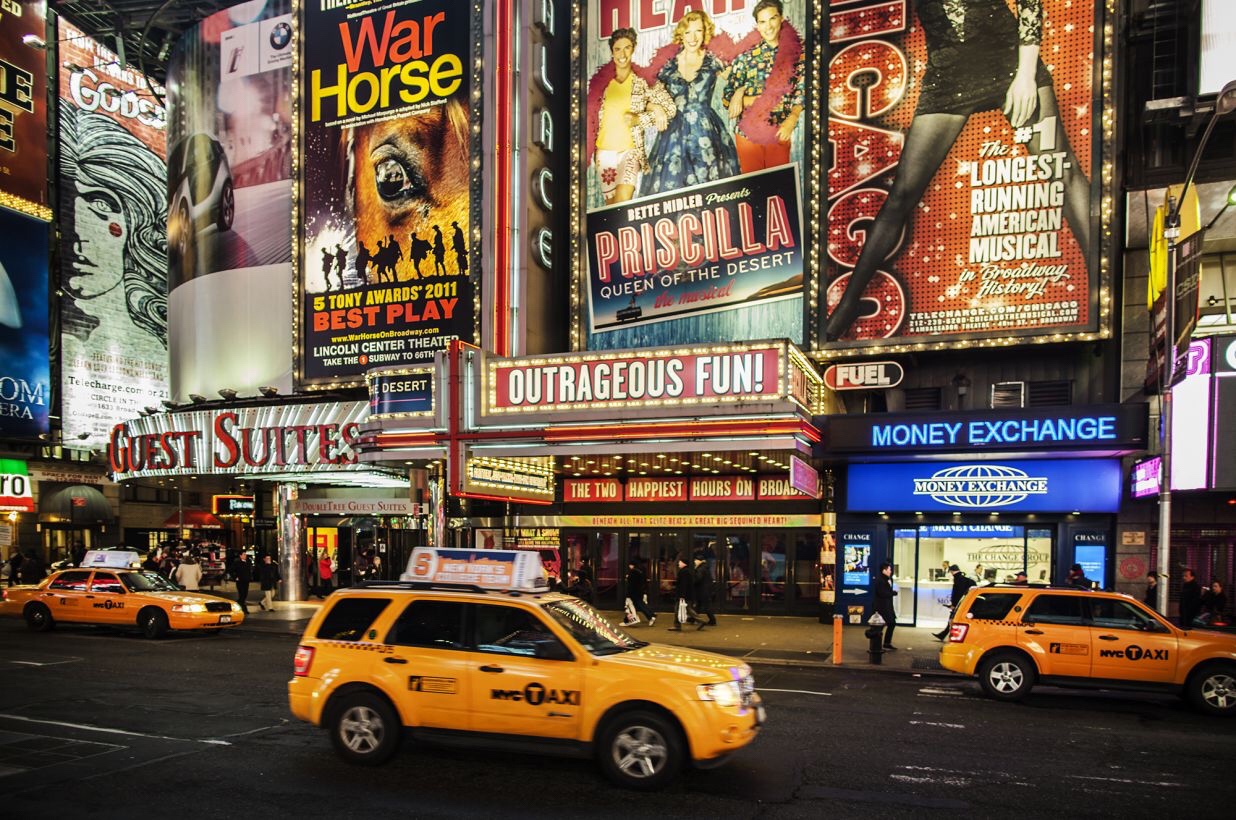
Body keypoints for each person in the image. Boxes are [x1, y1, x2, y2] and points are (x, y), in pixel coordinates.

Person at [825, 0, 1091, 341]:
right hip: (948, 75)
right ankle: (847, 306)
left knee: (1064, 173)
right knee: (901, 195)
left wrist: (1026, 74)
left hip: (1008, 58)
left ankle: (1102, 278)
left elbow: (1029, 3)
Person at [639, 9, 740, 196]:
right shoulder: (667, 65)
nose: (693, 38)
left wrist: (739, 94)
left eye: (698, 31)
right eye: (688, 32)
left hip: (706, 134)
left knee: (711, 192)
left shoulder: (714, 61)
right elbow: (642, 97)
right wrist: (657, 108)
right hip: (672, 137)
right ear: (681, 34)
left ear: (705, 32)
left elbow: (741, 79)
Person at [592, 27, 676, 204]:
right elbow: (590, 116)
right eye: (617, 49)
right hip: (604, 153)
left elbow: (670, 108)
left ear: (634, 48)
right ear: (612, 51)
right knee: (611, 207)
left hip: (630, 151)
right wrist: (651, 106)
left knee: (622, 200)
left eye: (627, 48)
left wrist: (641, 118)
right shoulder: (601, 84)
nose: (622, 54)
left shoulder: (644, 80)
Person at [721, 0, 804, 174]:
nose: (768, 26)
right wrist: (741, 95)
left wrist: (792, 119)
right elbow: (727, 98)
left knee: (779, 185)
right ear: (757, 25)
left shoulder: (797, 55)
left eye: (772, 19)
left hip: (779, 129)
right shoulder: (746, 57)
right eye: (762, 22)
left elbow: (802, 91)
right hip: (748, 135)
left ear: (781, 18)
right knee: (753, 186)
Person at [934, 565, 975, 640]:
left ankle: (948, 635)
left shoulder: (958, 579)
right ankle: (943, 634)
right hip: (963, 602)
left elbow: (957, 593)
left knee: (953, 619)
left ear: (952, 571)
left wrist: (954, 604)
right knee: (953, 618)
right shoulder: (962, 578)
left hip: (959, 603)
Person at [873, 561, 898, 650]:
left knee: (890, 623)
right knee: (884, 625)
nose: (890, 571)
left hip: (888, 606)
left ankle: (885, 643)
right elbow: (882, 593)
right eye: (889, 569)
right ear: (884, 570)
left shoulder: (887, 579)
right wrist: (893, 593)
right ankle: (877, 644)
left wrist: (891, 592)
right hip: (883, 607)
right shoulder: (880, 580)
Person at [623, 560, 656, 626]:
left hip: (633, 593)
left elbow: (631, 584)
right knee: (640, 605)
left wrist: (628, 577)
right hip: (639, 592)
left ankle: (649, 616)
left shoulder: (633, 572)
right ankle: (651, 615)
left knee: (635, 606)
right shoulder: (640, 572)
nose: (629, 566)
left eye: (630, 565)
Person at [669, 556, 694, 631]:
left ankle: (677, 626)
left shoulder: (684, 572)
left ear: (684, 563)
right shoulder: (686, 571)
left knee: (678, 609)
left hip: (682, 595)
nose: (678, 563)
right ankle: (701, 620)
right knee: (687, 610)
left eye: (680, 562)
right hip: (685, 595)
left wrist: (682, 595)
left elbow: (683, 585)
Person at [693, 553, 717, 629]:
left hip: (702, 590)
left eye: (696, 560)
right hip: (705, 590)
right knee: (699, 605)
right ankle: (693, 618)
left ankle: (712, 620)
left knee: (706, 606)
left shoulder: (700, 569)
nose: (694, 561)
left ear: (699, 561)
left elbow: (698, 578)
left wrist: (693, 579)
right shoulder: (705, 567)